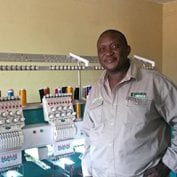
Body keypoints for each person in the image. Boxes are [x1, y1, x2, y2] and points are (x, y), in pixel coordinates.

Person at [81, 29, 177, 177]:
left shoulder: (154, 83)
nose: (108, 53)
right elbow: (88, 135)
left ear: (127, 50)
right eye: (102, 49)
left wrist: (167, 164)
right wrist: (87, 172)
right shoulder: (95, 91)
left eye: (114, 46)